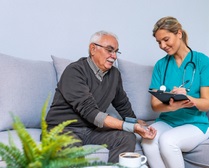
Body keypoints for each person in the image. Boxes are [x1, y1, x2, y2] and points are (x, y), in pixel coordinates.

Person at [45, 31, 156, 163]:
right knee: (72, 154)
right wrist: (130, 126)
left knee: (127, 137)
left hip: (91, 130)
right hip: (62, 129)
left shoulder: (114, 74)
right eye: (109, 50)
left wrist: (135, 123)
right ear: (93, 49)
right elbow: (90, 112)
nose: (114, 56)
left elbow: (122, 104)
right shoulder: (74, 71)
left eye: (116, 51)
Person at [141, 16, 209, 168]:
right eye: (158, 42)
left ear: (179, 34)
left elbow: (206, 104)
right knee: (148, 140)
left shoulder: (203, 62)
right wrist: (171, 106)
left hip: (196, 124)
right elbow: (155, 105)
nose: (162, 45)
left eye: (166, 39)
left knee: (168, 141)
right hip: (168, 121)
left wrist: (187, 98)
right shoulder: (161, 65)